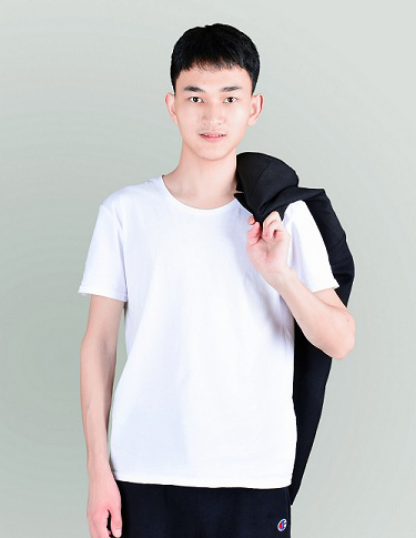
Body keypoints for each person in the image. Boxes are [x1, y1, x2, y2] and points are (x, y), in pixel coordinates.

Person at [78, 23, 355, 538]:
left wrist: (280, 275)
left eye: (230, 97)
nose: (213, 115)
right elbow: (99, 344)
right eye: (195, 97)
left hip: (254, 471)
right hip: (144, 468)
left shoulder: (285, 218)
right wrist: (98, 471)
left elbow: (339, 339)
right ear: (172, 105)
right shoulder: (125, 212)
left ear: (254, 107)